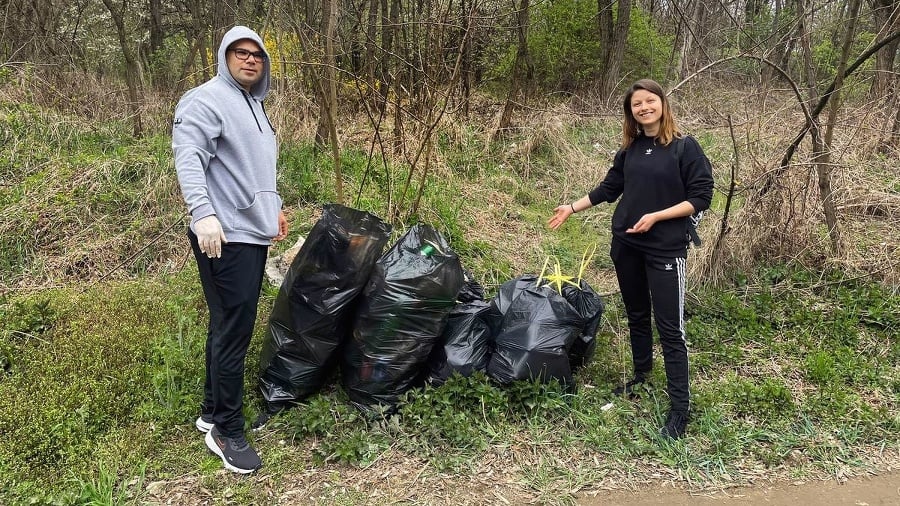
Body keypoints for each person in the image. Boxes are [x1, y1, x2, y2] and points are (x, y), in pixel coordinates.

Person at [548, 79, 713, 439]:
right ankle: (640, 376)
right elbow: (610, 188)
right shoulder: (631, 149)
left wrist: (657, 216)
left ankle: (679, 409)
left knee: (671, 328)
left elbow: (701, 197)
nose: (643, 108)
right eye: (636, 104)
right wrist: (572, 208)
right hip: (626, 245)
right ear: (632, 112)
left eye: (649, 101)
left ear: (662, 104)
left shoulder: (685, 148)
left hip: (665, 249)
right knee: (636, 314)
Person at [173, 25, 288, 473]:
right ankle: (227, 429)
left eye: (256, 54)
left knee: (227, 324)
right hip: (223, 234)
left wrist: (273, 209)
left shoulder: (255, 105)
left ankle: (210, 411)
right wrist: (202, 213)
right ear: (224, 57)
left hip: (251, 230)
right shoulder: (206, 99)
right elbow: (188, 155)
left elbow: (253, 170)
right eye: (239, 53)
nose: (249, 59)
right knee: (234, 332)